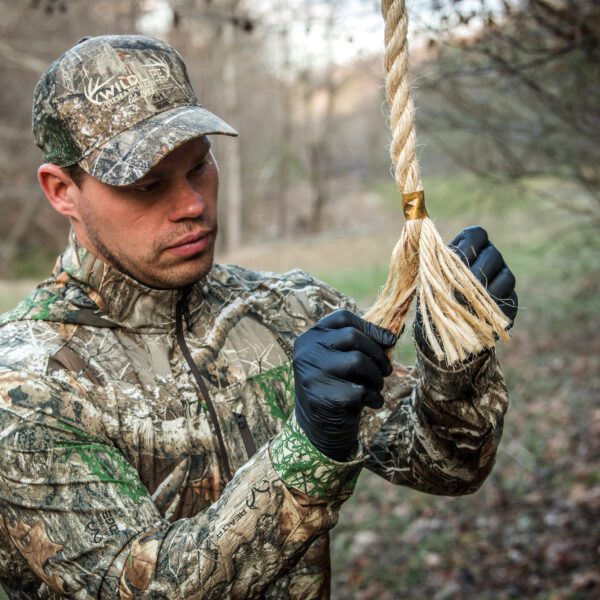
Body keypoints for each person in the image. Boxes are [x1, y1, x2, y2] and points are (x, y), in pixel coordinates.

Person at [0, 35, 517, 599]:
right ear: (61, 190)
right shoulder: (26, 387)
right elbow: (141, 588)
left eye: (200, 168)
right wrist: (310, 447)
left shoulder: (288, 312)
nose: (192, 204)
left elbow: (449, 468)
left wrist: (456, 362)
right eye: (148, 186)